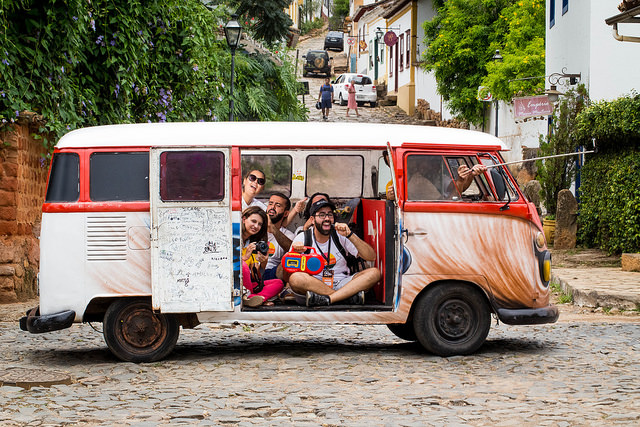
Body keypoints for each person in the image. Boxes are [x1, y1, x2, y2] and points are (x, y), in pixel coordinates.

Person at [288, 199, 381, 307]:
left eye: (330, 215)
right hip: (315, 285)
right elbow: (289, 272)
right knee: (295, 278)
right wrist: (295, 252)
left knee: (374, 273)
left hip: (343, 283)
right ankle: (344, 298)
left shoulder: (341, 234)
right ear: (312, 220)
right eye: (322, 215)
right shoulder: (303, 237)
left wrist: (350, 235)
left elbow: (371, 256)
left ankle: (330, 299)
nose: (327, 218)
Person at [241, 206, 284, 307]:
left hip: (250, 285)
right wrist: (244, 258)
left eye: (259, 224)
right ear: (244, 219)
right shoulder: (234, 236)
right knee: (243, 265)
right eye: (253, 221)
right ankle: (255, 298)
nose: (256, 226)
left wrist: (263, 262)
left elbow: (256, 277)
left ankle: (256, 299)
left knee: (279, 283)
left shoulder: (253, 243)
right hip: (238, 285)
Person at [263, 192, 295, 281]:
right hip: (252, 270)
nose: (272, 207)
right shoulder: (255, 227)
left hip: (273, 274)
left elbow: (292, 250)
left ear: (285, 214)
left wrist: (273, 229)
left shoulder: (288, 235)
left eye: (278, 205)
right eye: (270, 203)